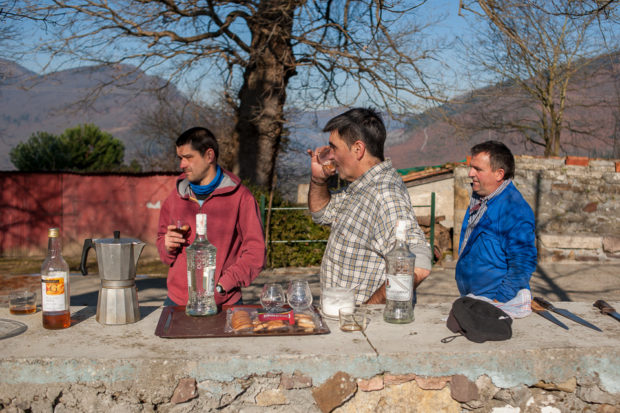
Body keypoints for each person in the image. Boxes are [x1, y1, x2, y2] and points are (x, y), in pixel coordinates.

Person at [308, 107, 432, 305]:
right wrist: (318, 179)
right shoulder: (362, 186)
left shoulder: (385, 193)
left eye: (334, 148)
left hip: (364, 322)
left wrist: (368, 311)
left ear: (358, 149)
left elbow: (418, 267)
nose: (330, 156)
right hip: (343, 316)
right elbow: (322, 213)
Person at [156, 127, 266, 307]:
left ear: (209, 156)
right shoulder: (175, 197)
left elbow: (256, 253)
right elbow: (162, 245)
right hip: (178, 302)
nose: (182, 165)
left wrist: (224, 285)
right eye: (180, 158)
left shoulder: (241, 198)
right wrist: (167, 246)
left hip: (224, 302)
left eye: (188, 157)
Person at [456, 140, 537, 318]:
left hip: (495, 307)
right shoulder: (481, 197)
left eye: (478, 169)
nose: (470, 173)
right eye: (471, 167)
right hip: (476, 301)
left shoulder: (514, 210)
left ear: (499, 174)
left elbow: (523, 263)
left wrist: (499, 303)